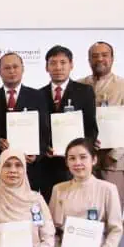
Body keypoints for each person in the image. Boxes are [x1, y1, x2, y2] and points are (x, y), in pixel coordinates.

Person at [38, 46, 98, 202]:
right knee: (50, 206)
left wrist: (80, 152)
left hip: (75, 164)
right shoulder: (38, 94)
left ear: (71, 65)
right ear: (46, 67)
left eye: (63, 62)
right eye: (53, 63)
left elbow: (91, 127)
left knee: (77, 205)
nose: (58, 67)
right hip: (47, 164)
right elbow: (37, 128)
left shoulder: (85, 91)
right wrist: (43, 148)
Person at [81, 42, 124, 206]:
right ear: (89, 60)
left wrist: (116, 153)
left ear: (112, 59)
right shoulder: (80, 85)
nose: (100, 59)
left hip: (113, 159)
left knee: (112, 207)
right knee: (86, 208)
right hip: (85, 158)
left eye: (104, 55)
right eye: (95, 56)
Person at [0, 52, 47, 191]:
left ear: (23, 69)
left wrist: (37, 154)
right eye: (7, 68)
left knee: (28, 209)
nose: (11, 71)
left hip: (29, 168)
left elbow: (45, 131)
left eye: (15, 67)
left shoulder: (38, 96)